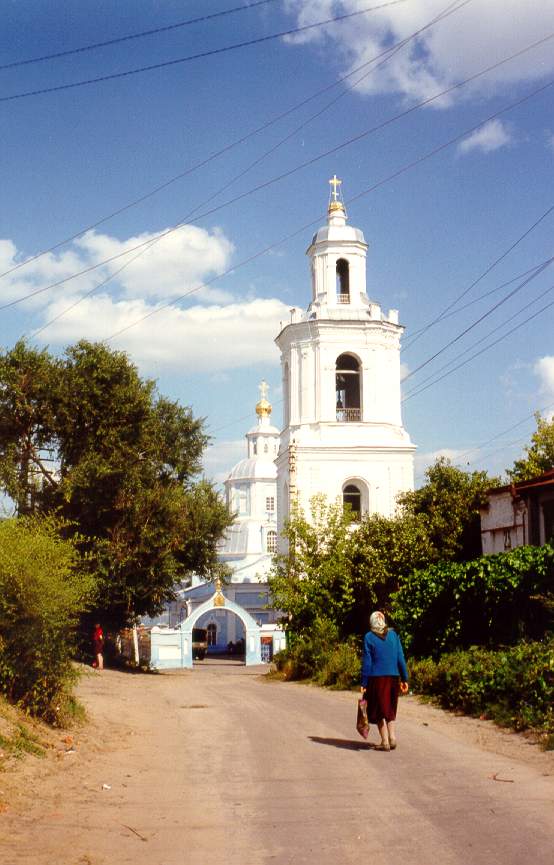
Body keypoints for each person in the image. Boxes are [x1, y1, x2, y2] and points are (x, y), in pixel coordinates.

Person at [360, 610, 409, 751]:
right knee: (389, 708)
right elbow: (400, 658)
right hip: (393, 678)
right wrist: (404, 678)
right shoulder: (394, 635)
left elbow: (367, 662)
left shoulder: (369, 637)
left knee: (378, 709)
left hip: (377, 678)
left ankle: (385, 741)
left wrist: (364, 682)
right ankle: (392, 738)